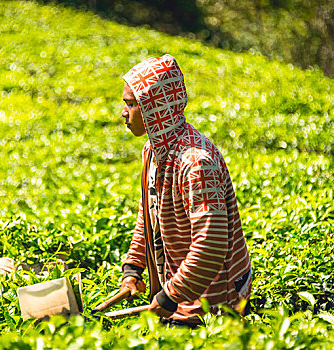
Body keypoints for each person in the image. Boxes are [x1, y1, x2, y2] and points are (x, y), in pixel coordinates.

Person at [119, 54, 252, 327]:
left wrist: (171, 295)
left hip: (214, 299)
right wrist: (133, 268)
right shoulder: (153, 152)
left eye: (132, 104)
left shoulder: (195, 163)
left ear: (155, 109)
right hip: (179, 288)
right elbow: (148, 216)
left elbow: (211, 244)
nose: (123, 112)